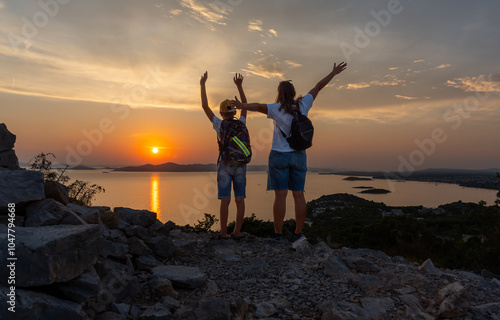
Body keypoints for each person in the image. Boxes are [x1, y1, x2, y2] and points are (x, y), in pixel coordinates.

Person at [231, 61, 347, 248]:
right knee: (299, 195)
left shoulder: (276, 108)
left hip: (279, 155)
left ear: (279, 94)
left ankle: (278, 235)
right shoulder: (303, 104)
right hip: (299, 155)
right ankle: (299, 235)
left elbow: (258, 106)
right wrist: (333, 72)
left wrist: (241, 104)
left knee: (280, 196)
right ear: (293, 93)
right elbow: (318, 86)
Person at [200, 71, 248, 240]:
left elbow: (205, 107)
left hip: (225, 165)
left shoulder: (219, 125)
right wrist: (239, 86)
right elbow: (245, 105)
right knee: (240, 200)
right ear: (235, 112)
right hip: (241, 164)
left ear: (221, 113)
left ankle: (223, 233)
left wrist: (203, 84)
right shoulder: (241, 122)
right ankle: (236, 232)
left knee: (225, 200)